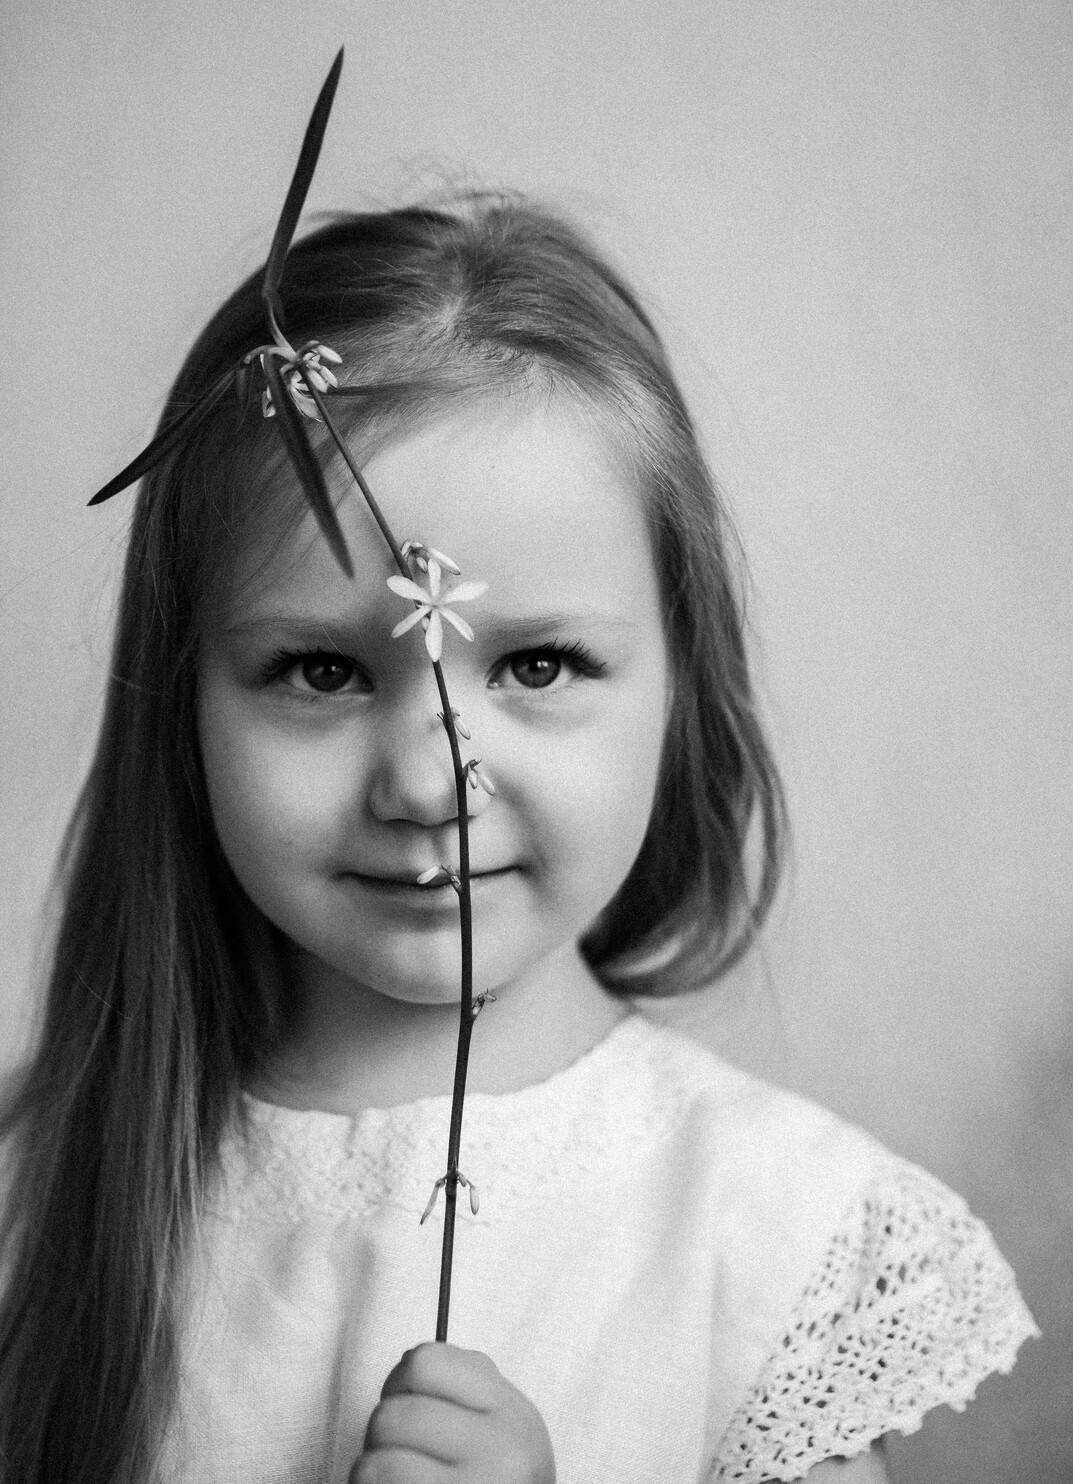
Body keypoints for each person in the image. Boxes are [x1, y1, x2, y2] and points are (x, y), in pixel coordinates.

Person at [0, 197, 1036, 1484]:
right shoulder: (37, 1194)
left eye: (537, 663)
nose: (432, 779)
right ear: (182, 702)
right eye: (321, 670)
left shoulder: (765, 1240)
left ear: (681, 686)